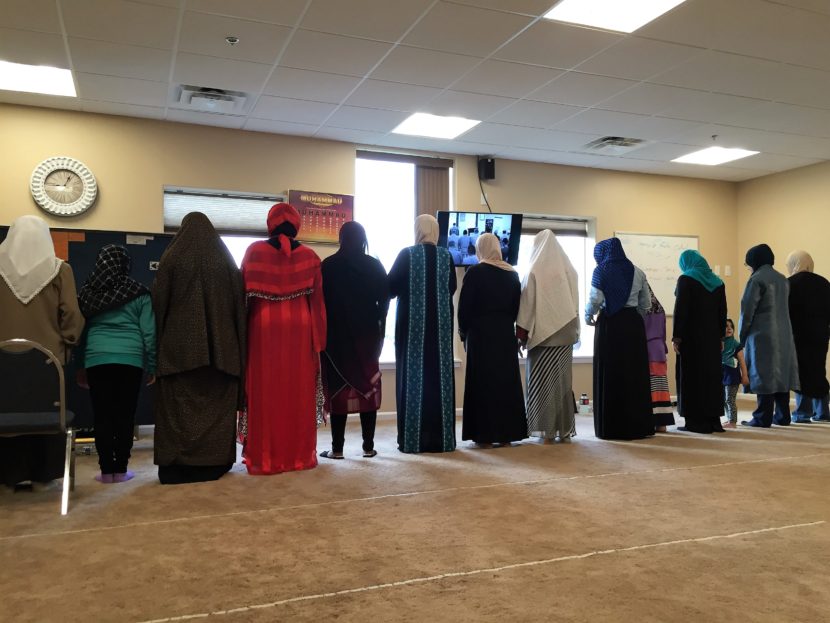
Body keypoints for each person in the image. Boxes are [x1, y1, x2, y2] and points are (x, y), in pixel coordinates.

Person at [152, 212, 246, 484]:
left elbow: (159, 306)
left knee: (177, 413)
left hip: (178, 354)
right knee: (216, 410)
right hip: (223, 353)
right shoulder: (226, 263)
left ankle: (176, 466)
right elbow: (239, 312)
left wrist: (157, 349)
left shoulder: (172, 258)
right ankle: (213, 463)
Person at [0, 215, 85, 488]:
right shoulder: (60, 269)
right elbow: (71, 314)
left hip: (1, 361)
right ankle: (43, 473)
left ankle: (8, 474)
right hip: (48, 362)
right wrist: (69, 341)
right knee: (47, 415)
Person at [242, 203, 326, 473]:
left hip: (263, 329)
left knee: (265, 392)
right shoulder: (311, 257)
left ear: (271, 224)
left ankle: (265, 458)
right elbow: (318, 304)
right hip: (300, 328)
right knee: (297, 392)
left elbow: (241, 299)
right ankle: (299, 456)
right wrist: (319, 342)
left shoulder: (254, 252)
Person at [76, 245, 156, 483]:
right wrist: (152, 365)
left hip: (96, 359)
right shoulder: (139, 293)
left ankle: (105, 471)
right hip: (130, 361)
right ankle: (121, 470)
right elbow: (149, 333)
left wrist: (81, 366)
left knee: (102, 416)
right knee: (124, 415)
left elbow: (79, 333)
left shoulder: (87, 294)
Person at [319, 221, 389, 460]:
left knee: (339, 392)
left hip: (336, 340)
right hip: (367, 338)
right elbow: (385, 301)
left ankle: (337, 449)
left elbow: (319, 303)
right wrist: (379, 330)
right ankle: (368, 447)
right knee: (367, 388)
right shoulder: (374, 265)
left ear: (340, 239)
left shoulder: (327, 266)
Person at [388, 214, 456, 453]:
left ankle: (413, 441)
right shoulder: (446, 256)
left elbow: (390, 287)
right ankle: (442, 440)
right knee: (440, 382)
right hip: (441, 332)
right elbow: (452, 288)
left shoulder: (406, 254)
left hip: (412, 330)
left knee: (413, 381)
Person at [459, 233, 526, 447]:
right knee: (505, 383)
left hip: (480, 335)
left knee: (482, 383)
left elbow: (464, 308)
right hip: (505, 335)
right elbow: (517, 308)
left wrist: (463, 332)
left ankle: (484, 435)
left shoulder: (475, 272)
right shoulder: (512, 274)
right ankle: (506, 433)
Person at [585, 237, 653, 440]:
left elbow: (594, 300)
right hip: (633, 325)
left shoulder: (601, 271)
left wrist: (589, 316)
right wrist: (633, 318)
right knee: (634, 373)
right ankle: (637, 426)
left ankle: (612, 427)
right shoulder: (638, 271)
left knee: (611, 372)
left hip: (610, 325)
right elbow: (646, 304)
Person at [516, 230, 579, 443]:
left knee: (541, 385)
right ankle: (565, 430)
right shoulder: (570, 269)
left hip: (543, 336)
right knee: (562, 385)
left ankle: (545, 431)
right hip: (566, 334)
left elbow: (526, 307)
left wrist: (521, 334)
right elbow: (575, 304)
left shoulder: (534, 270)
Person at [739, 244, 800, 427]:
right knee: (780, 374)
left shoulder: (756, 279)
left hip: (762, 335)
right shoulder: (783, 279)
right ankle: (783, 416)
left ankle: (762, 417)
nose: (748, 267)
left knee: (763, 374)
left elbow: (747, 311)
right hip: (784, 333)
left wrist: (741, 337)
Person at [672, 250, 727, 434]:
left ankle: (696, 423)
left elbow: (681, 311)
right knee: (711, 378)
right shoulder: (718, 282)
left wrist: (677, 337)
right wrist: (721, 338)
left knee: (692, 378)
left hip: (691, 340)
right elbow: (722, 313)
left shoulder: (685, 280)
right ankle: (713, 422)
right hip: (711, 340)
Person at [786, 250, 830, 423]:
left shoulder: (789, 283)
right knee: (818, 370)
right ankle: (823, 412)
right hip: (820, 335)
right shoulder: (824, 283)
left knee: (801, 373)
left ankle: (803, 413)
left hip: (797, 336)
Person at [644, 284, 675, 432]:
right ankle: (662, 423)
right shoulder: (660, 307)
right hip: (659, 349)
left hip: (647, 349)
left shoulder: (641, 308)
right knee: (661, 387)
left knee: (650, 388)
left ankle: (651, 421)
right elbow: (663, 332)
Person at [722, 319, 749, 429]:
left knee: (730, 399)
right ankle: (729, 419)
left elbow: (742, 361)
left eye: (731, 326)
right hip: (723, 375)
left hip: (732, 376)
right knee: (724, 399)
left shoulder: (736, 344)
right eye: (726, 326)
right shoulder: (720, 344)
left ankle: (733, 421)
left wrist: (745, 375)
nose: (729, 328)